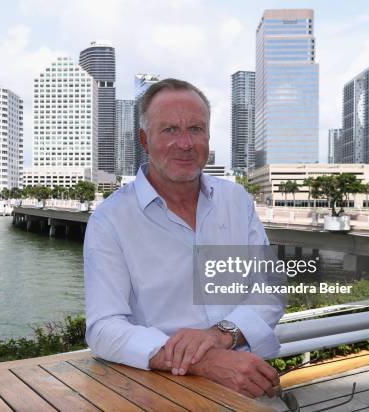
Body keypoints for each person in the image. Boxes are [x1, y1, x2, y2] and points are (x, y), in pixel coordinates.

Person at [84, 78, 284, 399]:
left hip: (247, 384)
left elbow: (269, 291)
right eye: (169, 130)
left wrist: (220, 336)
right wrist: (203, 362)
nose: (185, 143)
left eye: (195, 128)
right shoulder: (110, 219)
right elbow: (104, 327)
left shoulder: (236, 201)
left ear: (208, 135)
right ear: (144, 140)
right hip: (160, 391)